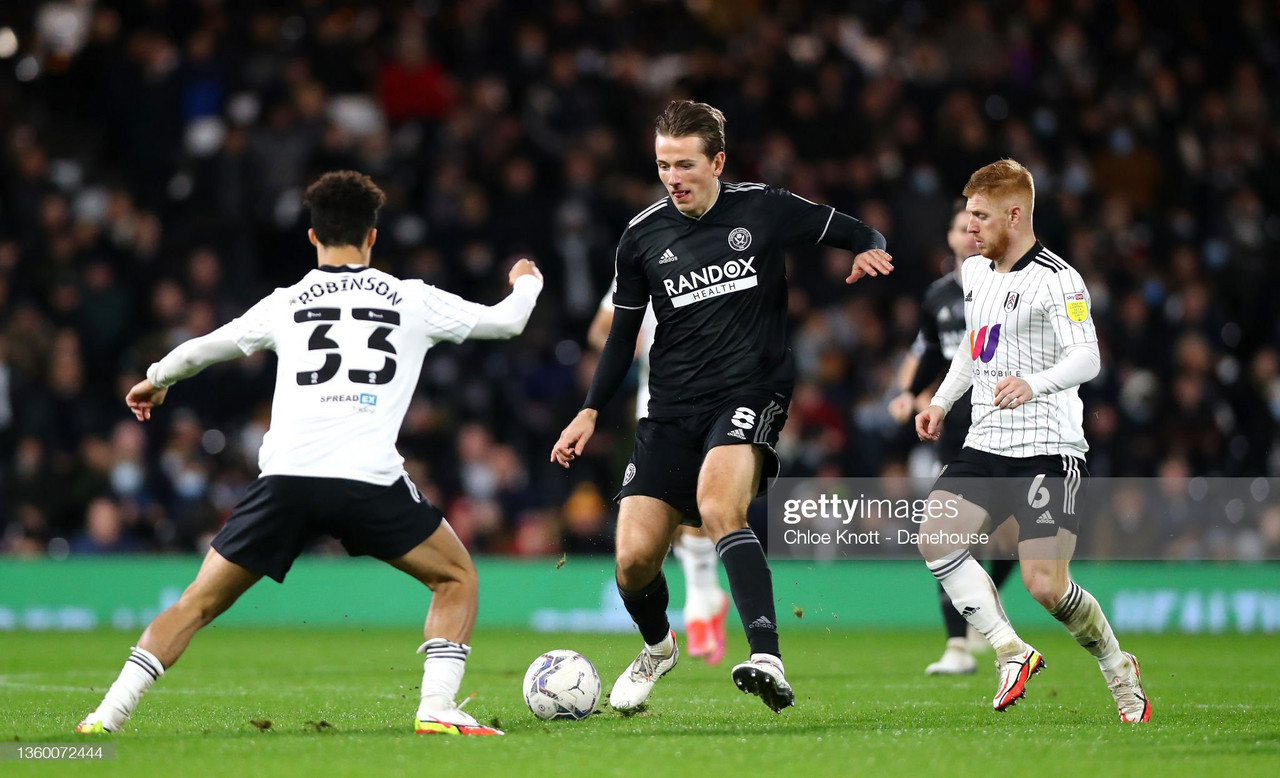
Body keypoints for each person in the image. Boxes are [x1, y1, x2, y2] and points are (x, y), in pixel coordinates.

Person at [76, 171, 544, 736]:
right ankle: (437, 709)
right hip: (368, 481)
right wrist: (527, 281)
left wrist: (155, 379)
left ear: (312, 237)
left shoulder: (286, 302)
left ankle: (106, 717)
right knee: (456, 579)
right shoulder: (413, 299)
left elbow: (204, 348)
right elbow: (509, 322)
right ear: (373, 237)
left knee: (197, 603)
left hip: (287, 480)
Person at [551, 100, 892, 713]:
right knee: (632, 560)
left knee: (716, 507)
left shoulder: (763, 208)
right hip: (669, 410)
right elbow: (623, 337)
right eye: (662, 165)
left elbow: (853, 229)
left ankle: (766, 655)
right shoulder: (641, 237)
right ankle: (658, 647)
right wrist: (590, 410)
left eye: (684, 165)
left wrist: (867, 246)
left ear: (718, 162)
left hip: (748, 393)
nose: (673, 178)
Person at [914, 159, 1150, 722]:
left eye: (980, 216)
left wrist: (1034, 383)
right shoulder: (975, 274)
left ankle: (1118, 666)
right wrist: (943, 401)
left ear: (1015, 214)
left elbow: (1088, 356)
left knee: (1046, 586)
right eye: (968, 215)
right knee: (935, 538)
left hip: (1048, 450)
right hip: (984, 442)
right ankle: (1009, 649)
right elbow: (974, 348)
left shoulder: (1058, 279)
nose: (970, 228)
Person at [888, 201, 1017, 675]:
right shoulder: (939, 296)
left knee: (1009, 539)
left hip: (1005, 425)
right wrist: (907, 392)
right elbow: (926, 352)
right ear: (950, 238)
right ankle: (957, 647)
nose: (969, 234)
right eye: (962, 227)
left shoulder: (1010, 287)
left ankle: (985, 606)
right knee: (945, 532)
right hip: (954, 430)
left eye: (977, 225)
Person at [588, 284, 730, 666]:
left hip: (716, 403)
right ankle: (704, 592)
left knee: (701, 499)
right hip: (655, 409)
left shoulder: (717, 257)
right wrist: (625, 342)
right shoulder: (640, 259)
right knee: (668, 515)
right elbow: (600, 328)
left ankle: (701, 600)